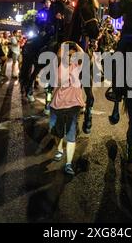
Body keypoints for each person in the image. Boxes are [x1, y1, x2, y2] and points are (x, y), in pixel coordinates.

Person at [49, 42, 85, 176]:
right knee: (57, 133)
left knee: (71, 135)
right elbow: (59, 53)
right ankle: (59, 150)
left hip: (74, 106)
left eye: (73, 55)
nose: (71, 57)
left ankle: (69, 164)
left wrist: (75, 44)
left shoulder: (78, 66)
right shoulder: (59, 65)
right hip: (57, 105)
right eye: (69, 55)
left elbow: (83, 54)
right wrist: (64, 44)